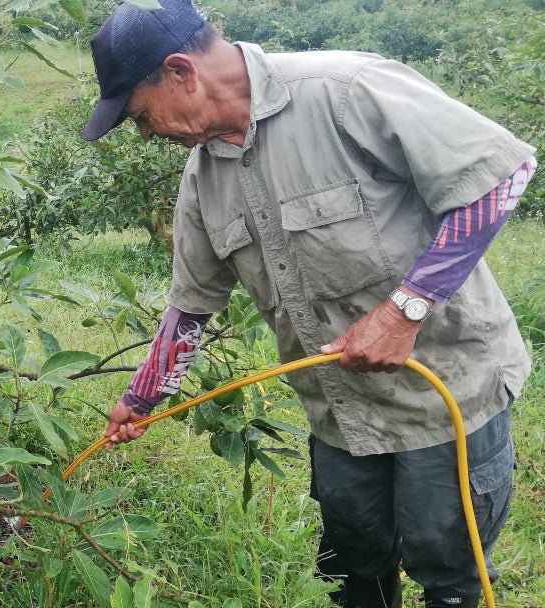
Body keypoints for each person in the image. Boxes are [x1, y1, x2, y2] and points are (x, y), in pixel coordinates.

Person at [81, 2, 538, 608]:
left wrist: (407, 308)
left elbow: (501, 174)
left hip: (444, 396)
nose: (145, 134)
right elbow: (190, 308)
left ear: (180, 73)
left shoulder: (346, 89)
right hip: (339, 415)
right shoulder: (202, 179)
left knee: (449, 575)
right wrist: (138, 400)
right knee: (352, 572)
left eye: (140, 115)